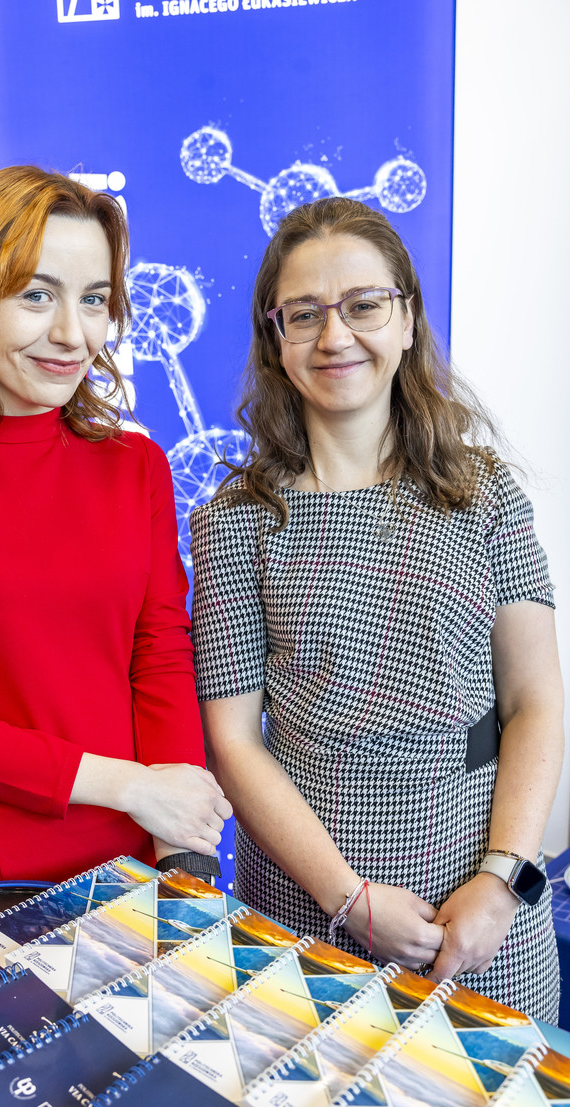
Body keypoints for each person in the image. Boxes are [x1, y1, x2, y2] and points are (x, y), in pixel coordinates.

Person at [191, 197, 563, 1021]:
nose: (335, 336)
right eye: (304, 314)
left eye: (363, 305)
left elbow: (534, 702)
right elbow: (233, 742)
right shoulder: (234, 522)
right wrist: (348, 900)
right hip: (304, 908)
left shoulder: (486, 494)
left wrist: (502, 880)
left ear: (407, 319)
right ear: (274, 337)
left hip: (484, 914)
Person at [0, 165, 231, 901]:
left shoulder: (137, 467)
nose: (71, 334)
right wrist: (130, 786)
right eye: (36, 295)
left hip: (142, 858)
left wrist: (180, 851)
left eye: (93, 299)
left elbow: (159, 653)